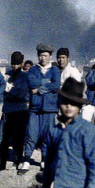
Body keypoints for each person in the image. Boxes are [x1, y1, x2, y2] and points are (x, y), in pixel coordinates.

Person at [18, 43, 61, 175]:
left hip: (50, 108)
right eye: (40, 55)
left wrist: (40, 89)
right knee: (31, 134)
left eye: (45, 55)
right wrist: (46, 83)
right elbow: (31, 83)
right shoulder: (32, 70)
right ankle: (26, 160)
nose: (42, 58)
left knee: (47, 136)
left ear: (50, 56)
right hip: (35, 108)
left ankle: (44, 160)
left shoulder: (55, 70)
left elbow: (56, 85)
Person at [0, 51, 29, 172]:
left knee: (18, 140)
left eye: (17, 64)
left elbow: (21, 94)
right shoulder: (7, 74)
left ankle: (18, 161)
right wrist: (11, 91)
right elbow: (3, 92)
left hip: (20, 112)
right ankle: (2, 164)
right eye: (13, 64)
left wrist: (9, 89)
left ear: (22, 63)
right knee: (3, 140)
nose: (15, 66)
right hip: (8, 111)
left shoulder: (25, 76)